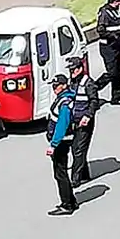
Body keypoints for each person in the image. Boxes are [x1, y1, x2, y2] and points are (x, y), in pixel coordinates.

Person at [46, 76, 78, 215]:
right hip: (62, 141)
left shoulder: (64, 103)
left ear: (64, 85)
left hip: (62, 142)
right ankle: (71, 200)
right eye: (53, 86)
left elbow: (61, 125)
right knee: (61, 172)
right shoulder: (64, 98)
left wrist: (53, 145)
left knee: (60, 174)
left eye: (57, 86)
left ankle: (67, 205)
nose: (54, 88)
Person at [67, 56, 99, 188]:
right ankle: (84, 173)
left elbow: (94, 102)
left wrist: (88, 116)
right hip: (74, 120)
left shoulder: (88, 83)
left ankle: (75, 179)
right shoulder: (72, 82)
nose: (71, 72)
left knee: (79, 149)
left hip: (85, 121)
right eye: (70, 69)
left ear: (80, 68)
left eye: (73, 69)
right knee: (76, 148)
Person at [94, 0, 120, 105]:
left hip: (118, 46)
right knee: (111, 73)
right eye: (119, 1)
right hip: (108, 47)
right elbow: (100, 30)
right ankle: (93, 89)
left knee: (119, 73)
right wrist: (113, 36)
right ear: (114, 1)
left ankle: (116, 98)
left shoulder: (116, 11)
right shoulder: (104, 12)